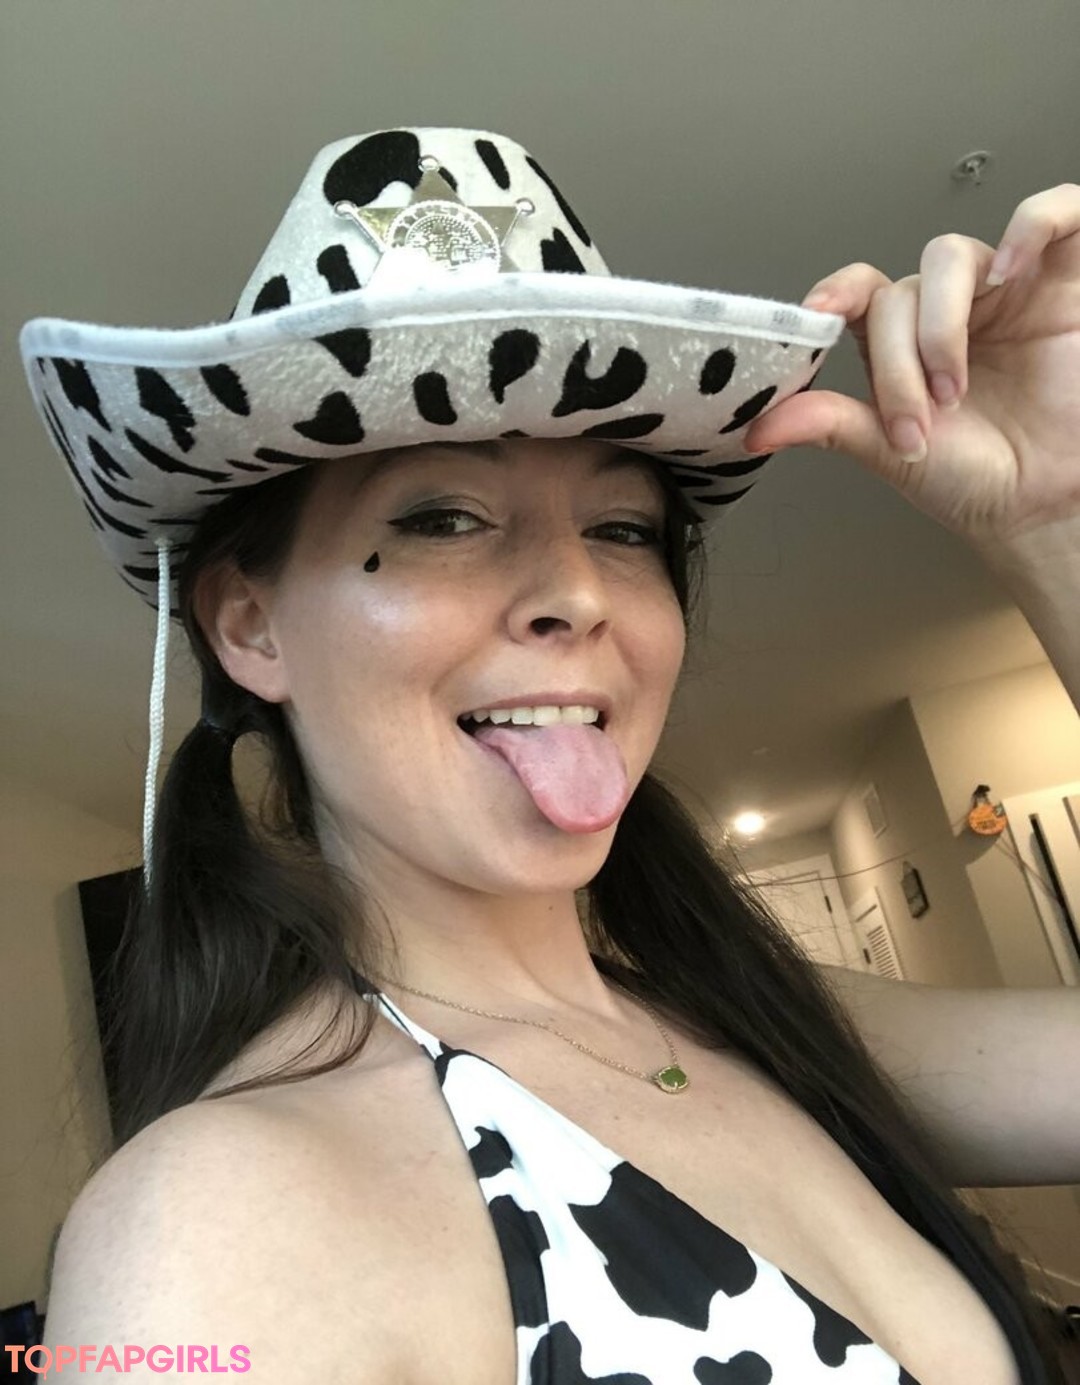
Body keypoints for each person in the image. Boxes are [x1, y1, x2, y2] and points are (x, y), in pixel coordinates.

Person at [19, 128, 1078, 1384]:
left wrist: (1055, 523)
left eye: (624, 527)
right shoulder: (211, 1223)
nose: (576, 591)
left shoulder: (776, 1024)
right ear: (251, 625)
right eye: (443, 516)